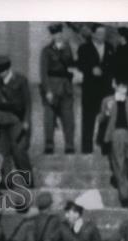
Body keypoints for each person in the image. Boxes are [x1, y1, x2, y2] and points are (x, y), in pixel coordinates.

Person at [96, 78, 128, 206]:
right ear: (115, 86)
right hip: (115, 134)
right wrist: (107, 111)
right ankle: (125, 196)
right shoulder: (108, 100)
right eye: (121, 86)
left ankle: (119, 180)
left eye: (125, 86)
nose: (124, 89)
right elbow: (100, 119)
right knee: (119, 163)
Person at [0, 55, 32, 175]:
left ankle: (27, 179)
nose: (0, 74)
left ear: (8, 69)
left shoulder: (21, 80)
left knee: (18, 149)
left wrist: (26, 120)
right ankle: (6, 180)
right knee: (1, 151)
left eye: (2, 71)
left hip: (16, 119)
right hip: (0, 119)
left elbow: (27, 103)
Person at [77, 24, 114, 154]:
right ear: (92, 34)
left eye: (104, 34)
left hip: (106, 89)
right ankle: (86, 149)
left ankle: (105, 147)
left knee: (107, 118)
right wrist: (90, 69)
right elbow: (80, 64)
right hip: (90, 90)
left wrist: (104, 71)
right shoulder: (84, 48)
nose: (102, 36)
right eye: (99, 33)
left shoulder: (110, 47)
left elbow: (113, 65)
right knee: (88, 119)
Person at [39, 23, 76, 154]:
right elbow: (43, 72)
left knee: (68, 118)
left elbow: (71, 66)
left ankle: (69, 145)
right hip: (52, 87)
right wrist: (47, 90)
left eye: (60, 33)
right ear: (52, 35)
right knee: (49, 118)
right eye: (55, 34)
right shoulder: (46, 50)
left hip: (66, 87)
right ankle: (49, 145)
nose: (58, 36)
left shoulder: (67, 48)